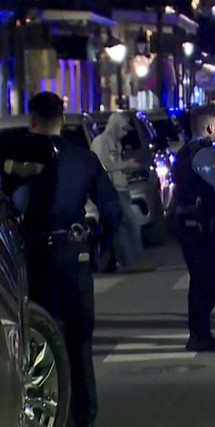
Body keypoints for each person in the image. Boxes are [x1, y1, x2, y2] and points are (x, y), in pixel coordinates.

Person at [0, 91, 122, 426]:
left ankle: (52, 410)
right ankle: (84, 413)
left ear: (32, 120)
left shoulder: (14, 158)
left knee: (41, 337)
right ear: (63, 120)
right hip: (74, 252)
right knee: (80, 339)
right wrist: (99, 246)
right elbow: (112, 210)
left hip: (36, 254)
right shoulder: (82, 159)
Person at [172, 104, 215, 352]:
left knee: (199, 280)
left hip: (187, 224)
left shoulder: (183, 152)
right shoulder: (208, 154)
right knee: (207, 282)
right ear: (210, 127)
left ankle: (199, 332)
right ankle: (200, 334)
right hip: (205, 226)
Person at [91, 113, 155, 273]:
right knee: (131, 223)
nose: (125, 133)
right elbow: (102, 165)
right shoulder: (101, 142)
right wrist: (125, 165)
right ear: (115, 127)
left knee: (124, 227)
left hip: (122, 188)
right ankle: (132, 261)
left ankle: (130, 261)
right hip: (112, 190)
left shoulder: (116, 143)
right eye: (123, 129)